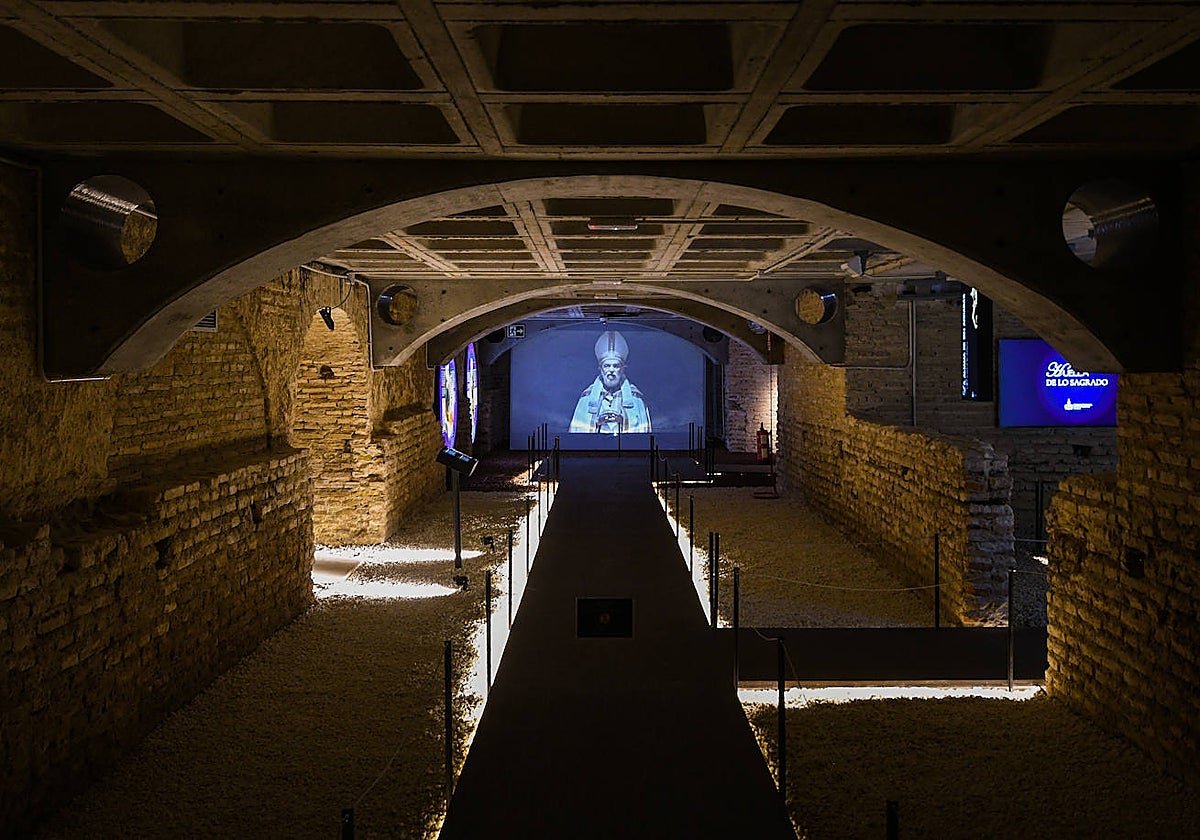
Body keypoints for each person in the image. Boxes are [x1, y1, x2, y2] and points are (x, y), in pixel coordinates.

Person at [569, 331, 652, 434]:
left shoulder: (635, 398)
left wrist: (623, 421)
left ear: (622, 369)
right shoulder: (587, 397)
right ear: (601, 369)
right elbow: (578, 434)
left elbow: (642, 436)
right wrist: (597, 422)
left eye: (616, 366)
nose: (611, 370)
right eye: (607, 366)